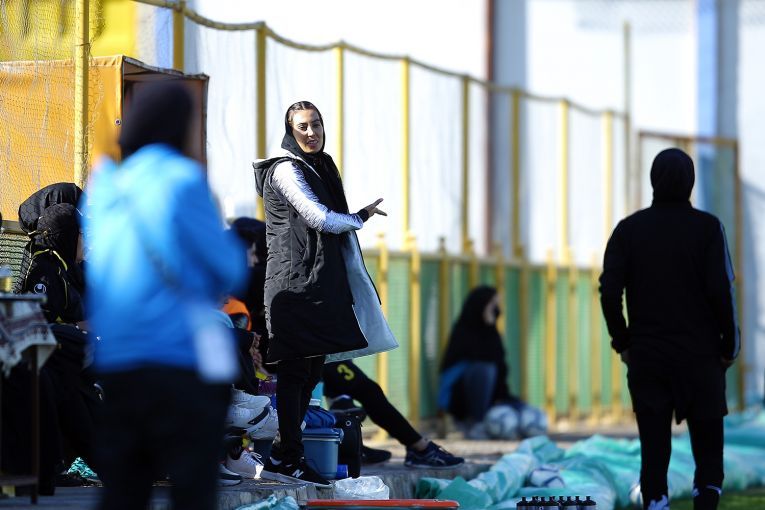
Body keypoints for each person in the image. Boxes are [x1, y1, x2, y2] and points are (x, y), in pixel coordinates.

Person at [84, 81, 247, 509]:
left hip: (118, 363)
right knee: (192, 491)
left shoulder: (107, 186)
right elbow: (229, 269)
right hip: (178, 361)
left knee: (124, 494)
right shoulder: (183, 179)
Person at [253, 100, 397, 487]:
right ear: (290, 131)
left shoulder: (319, 166)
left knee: (313, 371)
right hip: (292, 283)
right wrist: (359, 218)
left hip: (317, 282)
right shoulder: (284, 169)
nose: (311, 132)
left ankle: (286, 454)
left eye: (316, 124)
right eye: (302, 126)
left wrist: (357, 217)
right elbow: (317, 217)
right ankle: (286, 455)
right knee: (295, 371)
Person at [599, 148, 739, 510]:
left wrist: (623, 342)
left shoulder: (628, 230)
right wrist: (729, 346)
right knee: (709, 454)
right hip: (701, 357)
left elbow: (609, 292)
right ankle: (705, 500)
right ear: (691, 182)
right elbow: (722, 291)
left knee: (654, 453)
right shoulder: (709, 228)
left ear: (653, 180)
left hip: (649, 357)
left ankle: (657, 501)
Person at [323, 360, 464, 468]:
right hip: (318, 346)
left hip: (321, 347)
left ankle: (351, 449)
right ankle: (420, 448)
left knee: (352, 394)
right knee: (368, 391)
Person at [438, 286, 522, 438]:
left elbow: (500, 366)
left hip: (492, 400)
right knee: (484, 369)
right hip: (461, 402)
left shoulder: (493, 332)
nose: (496, 310)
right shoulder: (463, 332)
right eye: (492, 305)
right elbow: (481, 357)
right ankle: (476, 423)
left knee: (522, 408)